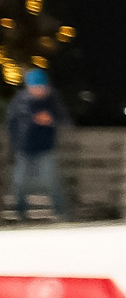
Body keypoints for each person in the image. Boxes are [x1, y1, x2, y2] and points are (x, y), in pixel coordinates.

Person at [7, 68, 70, 221]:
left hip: (45, 148)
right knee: (20, 181)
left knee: (50, 180)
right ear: (29, 87)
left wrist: (51, 119)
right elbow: (11, 122)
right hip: (24, 148)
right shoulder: (20, 101)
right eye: (35, 87)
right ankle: (20, 212)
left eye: (42, 87)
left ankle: (60, 211)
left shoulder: (52, 100)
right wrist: (14, 143)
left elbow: (65, 119)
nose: (39, 90)